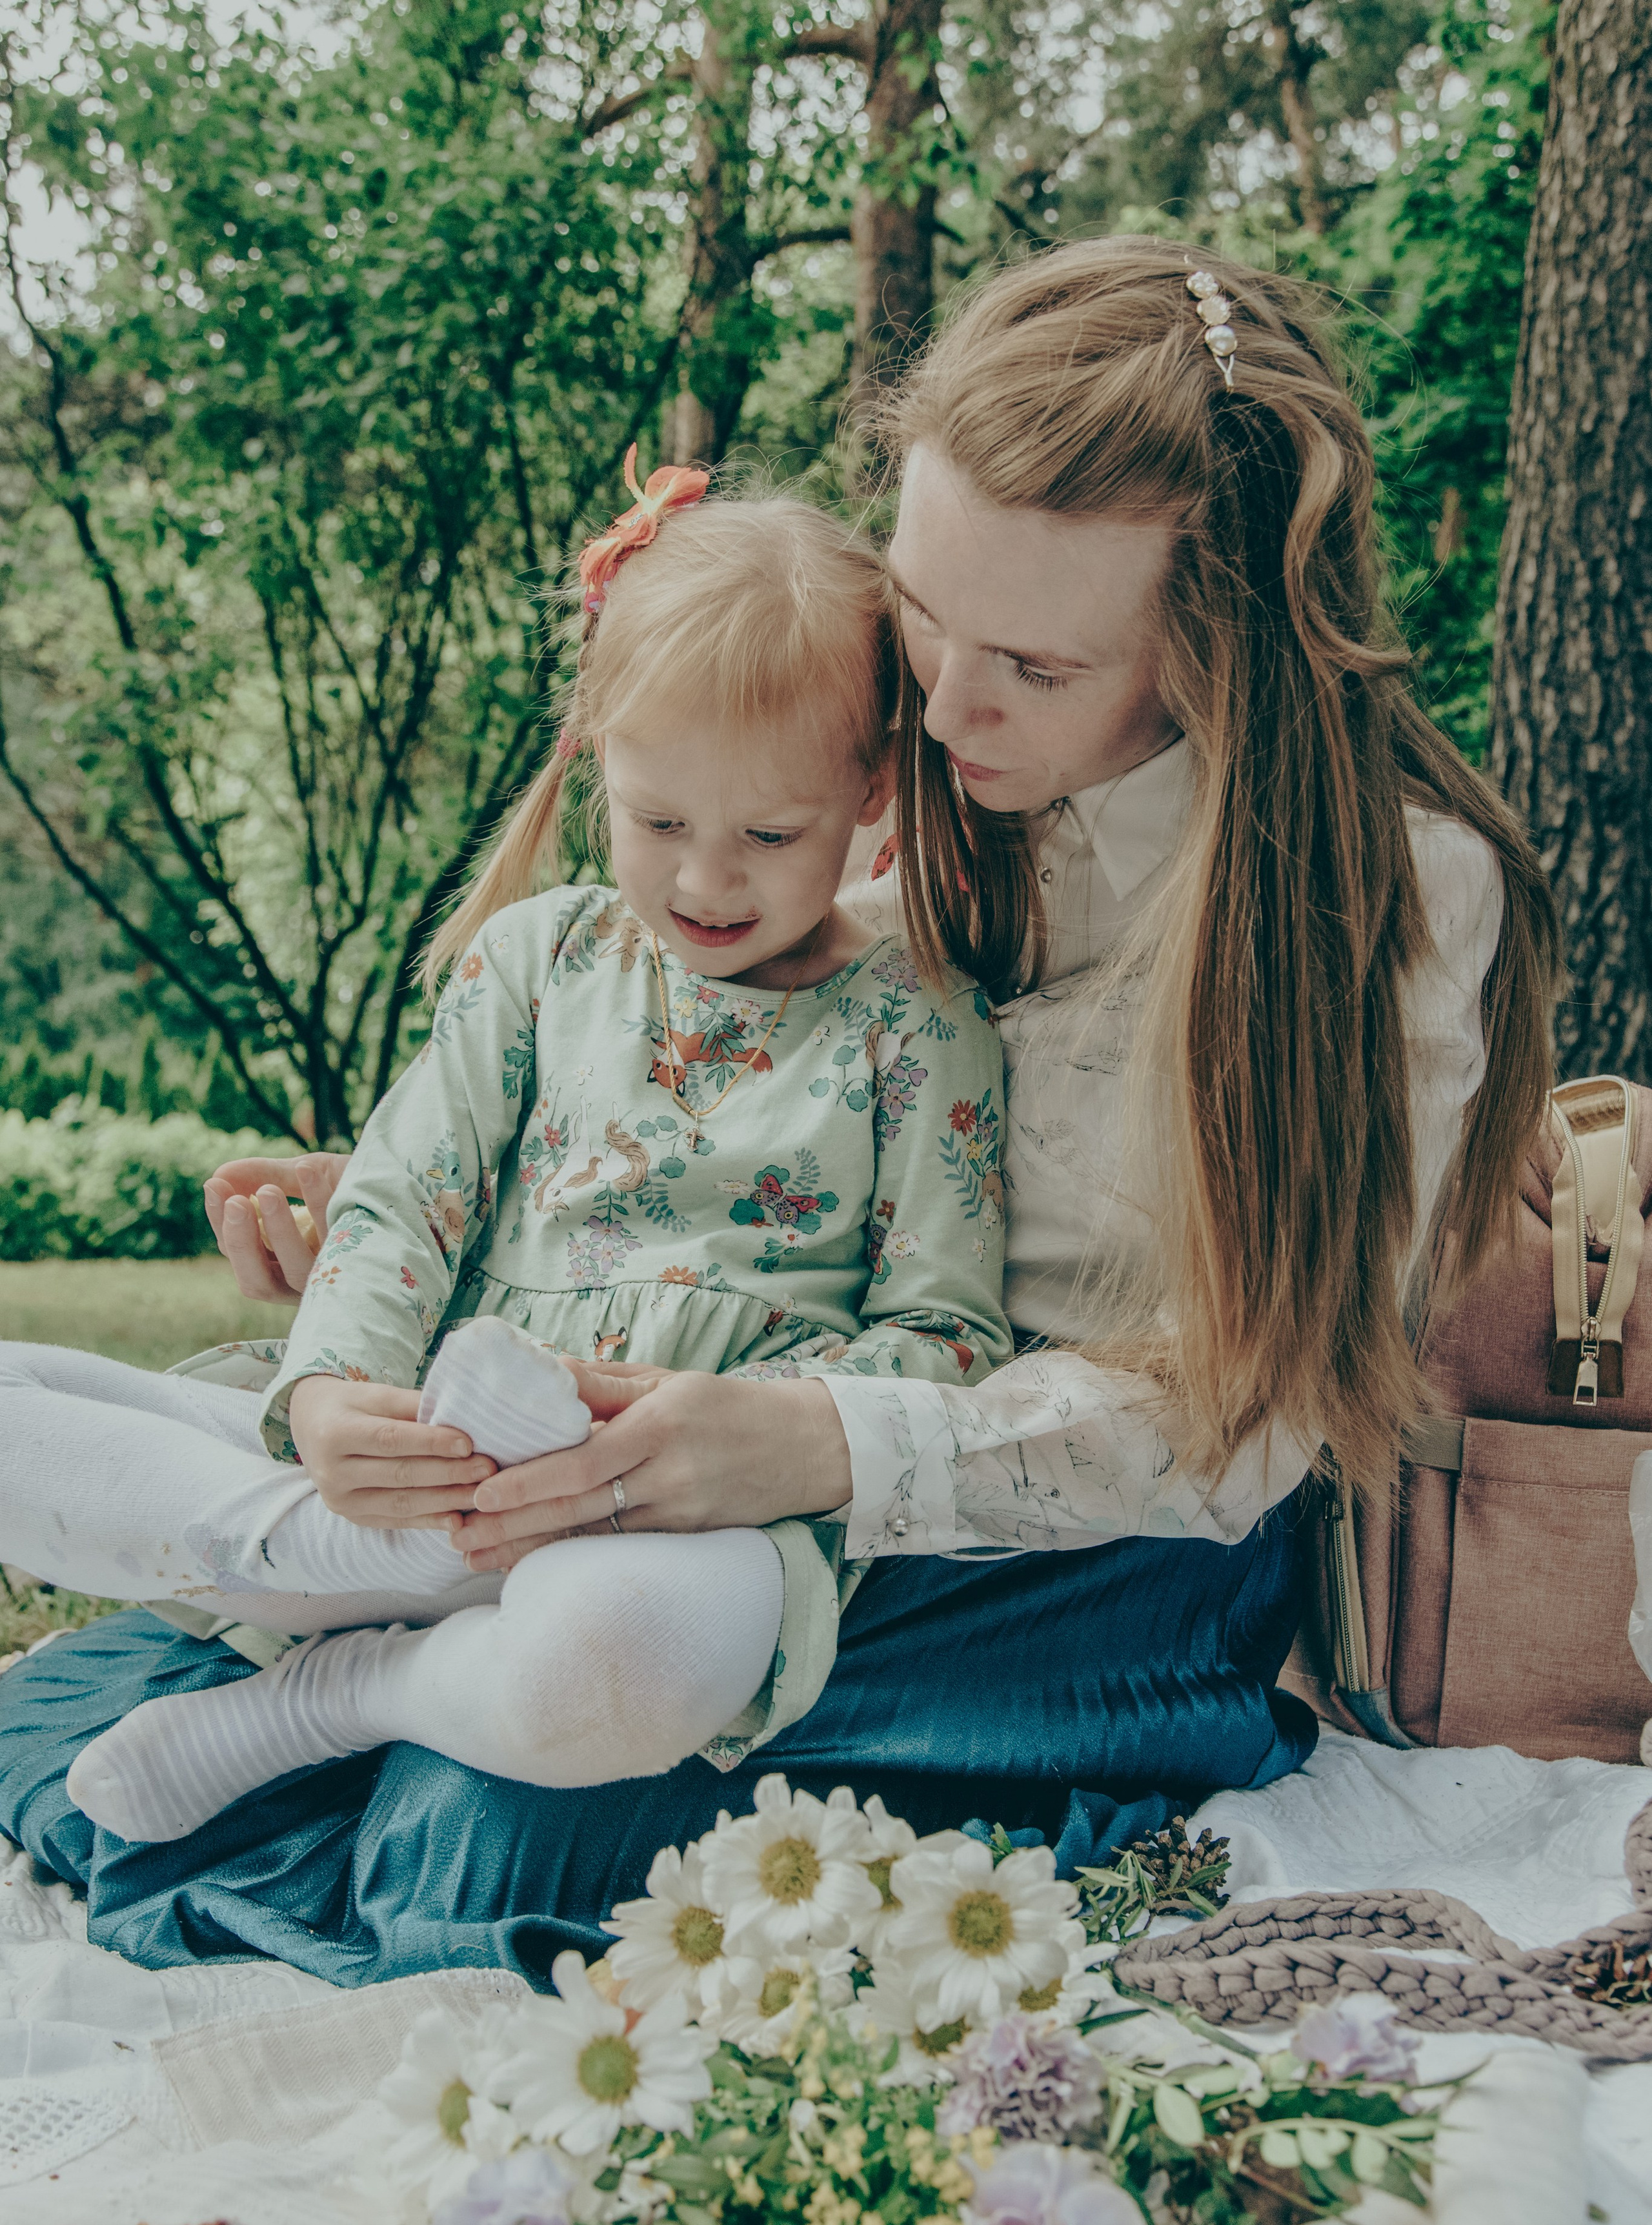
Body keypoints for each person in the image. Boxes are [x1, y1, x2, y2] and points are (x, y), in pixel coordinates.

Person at [0, 237, 1557, 1989]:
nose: (940, 704)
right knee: (78, 1715)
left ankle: (1067, 1848)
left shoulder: (1393, 898)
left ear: (1218, 653)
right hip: (744, 1464)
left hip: (1092, 1559)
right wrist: (460, 1203)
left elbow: (1236, 1426)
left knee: (489, 1842)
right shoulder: (911, 766)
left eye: (1031, 667)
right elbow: (743, 1086)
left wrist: (822, 1445)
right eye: (922, 612)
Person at [0, 474, 1009, 1844]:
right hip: (442, 1438)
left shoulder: (917, 1017)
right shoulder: (540, 964)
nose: (706, 885)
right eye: (657, 824)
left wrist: (749, 1423)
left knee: (622, 1668)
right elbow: (404, 1196)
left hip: (688, 1509)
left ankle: (343, 1683)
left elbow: (948, 1344)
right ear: (595, 752)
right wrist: (337, 1396)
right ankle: (350, 1536)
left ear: (869, 787)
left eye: (769, 838)